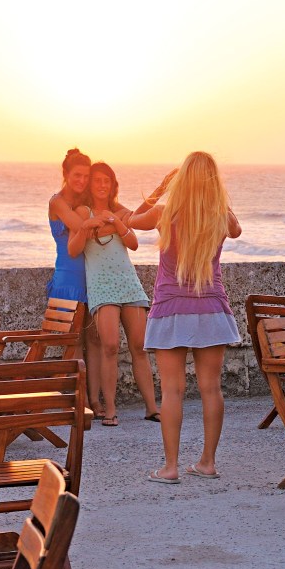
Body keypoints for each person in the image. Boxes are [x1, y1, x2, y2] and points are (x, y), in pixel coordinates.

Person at [131, 153, 241, 484]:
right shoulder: (221, 217)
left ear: (181, 181)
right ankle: (207, 463)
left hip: (171, 311)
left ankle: (171, 467)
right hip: (210, 309)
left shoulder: (165, 214)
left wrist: (161, 188)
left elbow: (131, 220)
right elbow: (236, 228)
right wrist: (217, 199)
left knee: (172, 391)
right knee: (210, 388)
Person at [67, 162, 159, 426]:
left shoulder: (121, 211)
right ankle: (110, 410)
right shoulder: (82, 212)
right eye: (97, 180)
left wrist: (117, 223)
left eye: (107, 180)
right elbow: (74, 250)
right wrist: (87, 227)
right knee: (109, 346)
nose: (102, 185)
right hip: (102, 285)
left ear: (113, 184)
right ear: (90, 184)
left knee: (139, 346)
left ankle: (152, 407)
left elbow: (134, 243)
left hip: (128, 282)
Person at [47, 148, 110, 416]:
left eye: (86, 176)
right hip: (68, 276)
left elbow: (110, 219)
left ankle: (94, 400)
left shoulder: (85, 203)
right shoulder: (57, 201)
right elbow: (76, 225)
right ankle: (77, 400)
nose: (82, 181)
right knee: (73, 342)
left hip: (92, 274)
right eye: (77, 175)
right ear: (66, 174)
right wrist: (97, 220)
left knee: (94, 340)